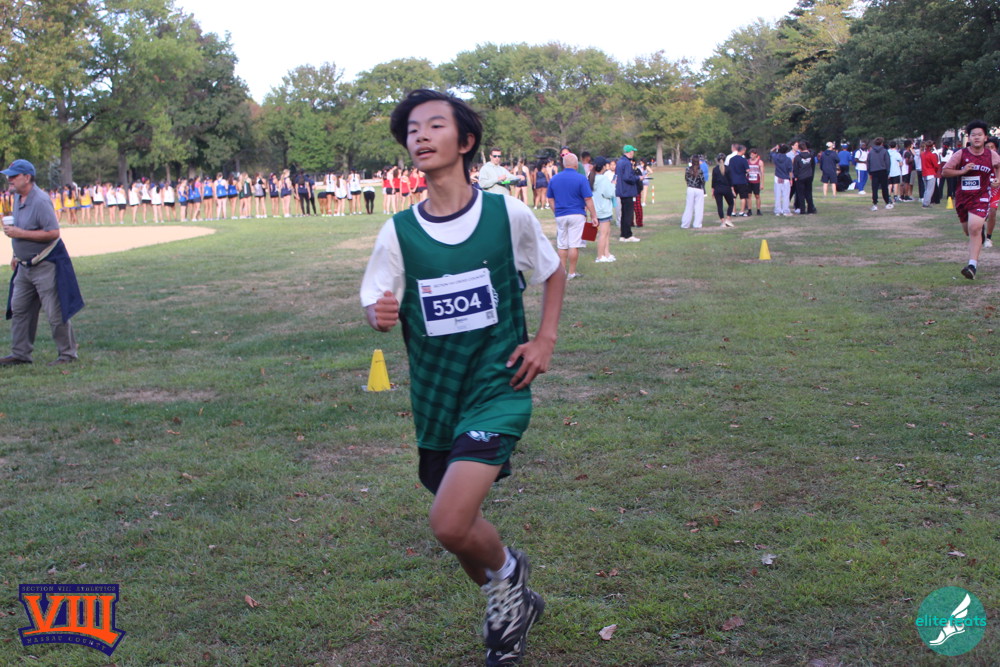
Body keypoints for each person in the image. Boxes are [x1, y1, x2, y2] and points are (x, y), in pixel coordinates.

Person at [361, 89, 564, 667]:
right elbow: (377, 299)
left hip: (498, 388)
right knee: (461, 525)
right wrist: (378, 313)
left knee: (449, 522)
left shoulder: (506, 214)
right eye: (412, 130)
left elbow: (551, 272)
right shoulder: (399, 231)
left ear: (466, 141)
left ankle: (508, 579)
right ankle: (512, 597)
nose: (420, 137)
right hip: (436, 399)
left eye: (434, 126)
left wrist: (544, 339)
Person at [1, 159, 84, 366]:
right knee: (19, 309)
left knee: (55, 312)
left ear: (27, 177)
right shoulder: (18, 198)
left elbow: (53, 232)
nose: (9, 179)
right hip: (24, 266)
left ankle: (67, 355)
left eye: (14, 176)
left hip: (45, 264)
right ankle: (20, 354)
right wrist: (16, 254)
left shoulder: (40, 200)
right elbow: (22, 230)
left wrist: (20, 233)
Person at [941, 120, 1000, 280]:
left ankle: (972, 266)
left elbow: (998, 166)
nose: (977, 137)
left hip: (981, 197)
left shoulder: (991, 154)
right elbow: (945, 171)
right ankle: (979, 231)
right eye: (973, 135)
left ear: (985, 137)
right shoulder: (961, 154)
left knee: (974, 228)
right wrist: (962, 171)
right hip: (963, 198)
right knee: (969, 230)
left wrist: (998, 179)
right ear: (969, 137)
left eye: (980, 135)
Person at [547, 153, 597, 279]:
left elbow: (550, 199)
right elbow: (588, 199)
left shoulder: (554, 178)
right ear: (576, 165)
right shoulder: (581, 178)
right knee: (574, 245)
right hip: (577, 214)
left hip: (561, 214)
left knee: (562, 245)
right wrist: (594, 216)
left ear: (564, 164)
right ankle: (572, 272)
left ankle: (562, 272)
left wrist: (556, 211)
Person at [588, 156, 616, 262]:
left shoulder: (592, 177)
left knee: (606, 233)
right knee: (603, 234)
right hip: (603, 209)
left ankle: (607, 253)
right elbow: (609, 193)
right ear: (603, 166)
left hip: (595, 209)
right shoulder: (603, 179)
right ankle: (600, 256)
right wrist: (613, 185)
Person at [615, 145, 640, 241]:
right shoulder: (627, 163)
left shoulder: (619, 162)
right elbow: (628, 177)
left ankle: (623, 234)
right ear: (630, 152)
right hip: (627, 191)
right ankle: (628, 235)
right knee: (628, 214)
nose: (633, 153)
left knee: (624, 214)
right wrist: (638, 178)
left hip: (621, 191)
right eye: (632, 151)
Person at [680, 155, 705, 229]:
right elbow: (702, 180)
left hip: (690, 188)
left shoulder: (688, 169)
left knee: (689, 207)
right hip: (699, 189)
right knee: (699, 208)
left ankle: (685, 224)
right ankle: (697, 224)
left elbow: (686, 178)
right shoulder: (700, 170)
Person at [867, 138, 892, 211]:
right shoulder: (884, 151)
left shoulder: (871, 152)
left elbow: (868, 162)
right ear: (882, 143)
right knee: (884, 188)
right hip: (883, 171)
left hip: (874, 171)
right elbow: (887, 162)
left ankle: (875, 204)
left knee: (874, 188)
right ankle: (887, 203)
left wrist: (869, 172)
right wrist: (888, 171)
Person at [793, 141, 817, 214]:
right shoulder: (811, 157)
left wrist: (796, 176)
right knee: (809, 193)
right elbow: (813, 167)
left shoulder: (797, 157)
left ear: (799, 148)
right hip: (809, 176)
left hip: (800, 177)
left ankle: (802, 210)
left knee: (801, 194)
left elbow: (795, 168)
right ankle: (810, 209)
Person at [711, 153, 734, 228]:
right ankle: (728, 219)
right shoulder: (728, 168)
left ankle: (723, 221)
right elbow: (730, 180)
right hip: (726, 188)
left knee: (719, 206)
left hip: (717, 189)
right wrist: (732, 189)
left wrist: (713, 190)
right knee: (731, 204)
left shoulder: (715, 169)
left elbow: (713, 181)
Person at [728, 144, 751, 216]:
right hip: (742, 181)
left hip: (733, 180)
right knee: (743, 197)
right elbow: (747, 170)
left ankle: (733, 211)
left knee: (733, 197)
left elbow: (729, 170)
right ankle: (742, 211)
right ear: (743, 150)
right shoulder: (743, 160)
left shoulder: (731, 159)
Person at [770, 144, 793, 216]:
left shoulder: (776, 157)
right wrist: (791, 179)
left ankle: (778, 211)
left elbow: (771, 152)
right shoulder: (788, 159)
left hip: (777, 177)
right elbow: (790, 171)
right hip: (785, 178)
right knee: (786, 196)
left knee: (777, 195)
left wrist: (775, 147)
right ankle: (785, 210)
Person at [921, 140, 940, 209]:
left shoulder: (922, 154)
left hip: (924, 173)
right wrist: (936, 171)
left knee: (926, 189)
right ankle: (926, 203)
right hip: (931, 173)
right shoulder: (931, 155)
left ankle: (925, 202)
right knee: (930, 190)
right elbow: (936, 165)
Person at [746, 148, 764, 215]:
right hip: (749, 181)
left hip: (756, 181)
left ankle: (758, 210)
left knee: (757, 196)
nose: (752, 156)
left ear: (756, 155)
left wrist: (762, 183)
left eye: (753, 155)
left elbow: (762, 173)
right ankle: (749, 210)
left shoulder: (760, 162)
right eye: (750, 155)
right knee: (749, 196)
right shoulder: (747, 161)